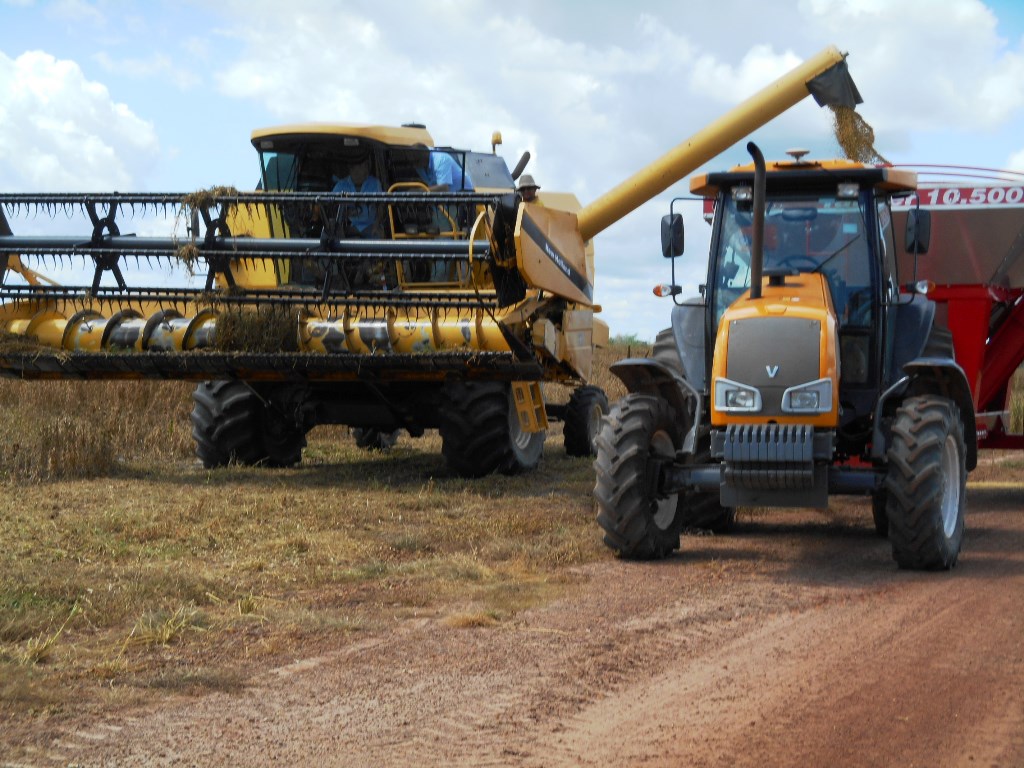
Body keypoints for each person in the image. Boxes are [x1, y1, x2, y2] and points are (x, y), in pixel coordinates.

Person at [331, 157, 383, 236]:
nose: (359, 171)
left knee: (380, 237)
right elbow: (331, 208)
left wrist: (376, 225)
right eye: (356, 168)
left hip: (370, 227)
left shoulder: (375, 183)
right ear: (350, 169)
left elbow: (381, 207)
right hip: (347, 228)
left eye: (363, 167)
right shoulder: (340, 185)